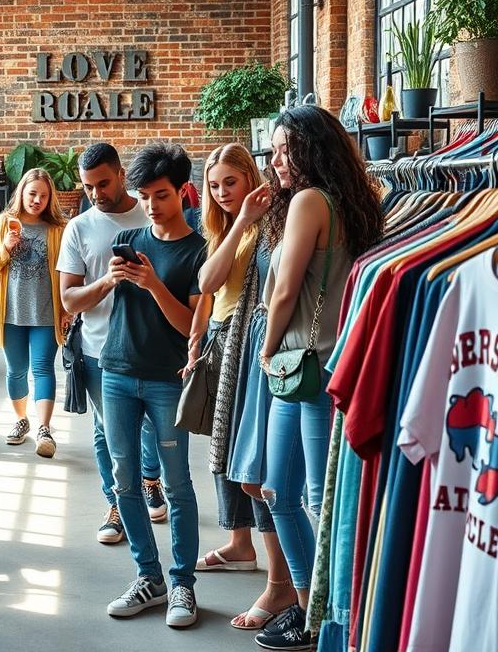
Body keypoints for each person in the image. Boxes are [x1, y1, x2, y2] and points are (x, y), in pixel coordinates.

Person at [229, 105, 384, 649]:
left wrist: (266, 351)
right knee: (281, 491)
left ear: (310, 150)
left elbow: (284, 291)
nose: (274, 161)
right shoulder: (354, 200)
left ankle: (332, 614)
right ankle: (309, 606)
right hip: (323, 363)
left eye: (282, 150)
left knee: (309, 496)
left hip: (301, 365)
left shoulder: (310, 202)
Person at [186, 143, 295, 631]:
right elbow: (209, 286)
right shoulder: (228, 226)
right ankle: (239, 543)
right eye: (214, 185)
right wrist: (194, 340)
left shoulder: (270, 220)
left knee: (250, 460)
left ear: (250, 177)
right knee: (227, 452)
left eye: (231, 181)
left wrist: (244, 221)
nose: (223, 192)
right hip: (222, 341)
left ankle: (280, 581)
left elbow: (232, 284)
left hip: (251, 344)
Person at [100, 143, 206, 629]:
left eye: (160, 195)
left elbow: (191, 327)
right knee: (124, 480)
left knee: (177, 482)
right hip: (117, 372)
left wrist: (152, 284)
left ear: (183, 191)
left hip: (167, 379)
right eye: (143, 196)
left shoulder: (200, 250)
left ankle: (182, 581)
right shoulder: (133, 240)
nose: (151, 205)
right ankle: (149, 577)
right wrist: (110, 281)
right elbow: (82, 302)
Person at [58, 142, 169, 545]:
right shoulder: (80, 228)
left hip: (154, 346)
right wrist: (108, 280)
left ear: (121, 174)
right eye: (88, 186)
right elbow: (68, 299)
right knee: (108, 432)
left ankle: (150, 480)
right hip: (98, 349)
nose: (96, 194)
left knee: (153, 427)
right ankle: (118, 503)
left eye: (103, 183)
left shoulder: (154, 213)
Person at [0, 168, 68, 456]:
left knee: (42, 368)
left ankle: (45, 428)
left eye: (43, 195)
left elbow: (69, 272)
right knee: (16, 371)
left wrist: (67, 309)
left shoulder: (58, 229)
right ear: (21, 193)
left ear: (50, 198)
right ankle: (21, 420)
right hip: (10, 313)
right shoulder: (4, 223)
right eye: (32, 194)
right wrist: (4, 248)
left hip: (45, 313)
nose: (37, 200)